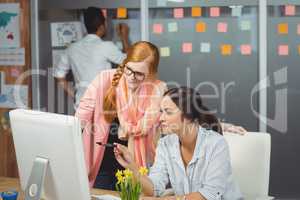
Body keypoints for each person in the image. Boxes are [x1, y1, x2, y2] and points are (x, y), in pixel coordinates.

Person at [114, 87, 244, 200]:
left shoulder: (216, 144)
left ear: (188, 116)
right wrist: (132, 166)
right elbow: (154, 189)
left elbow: (208, 195)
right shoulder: (165, 144)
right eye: (161, 111)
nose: (160, 118)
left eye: (168, 112)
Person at [75, 41, 167, 189]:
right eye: (128, 69)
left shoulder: (158, 88)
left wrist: (126, 128)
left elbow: (144, 126)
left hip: (134, 165)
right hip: (100, 163)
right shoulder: (104, 79)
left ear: (150, 73)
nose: (131, 76)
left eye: (139, 74)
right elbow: (81, 115)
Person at [53, 6, 130, 109]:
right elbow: (130, 61)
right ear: (102, 26)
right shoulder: (105, 46)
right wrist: (124, 36)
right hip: (102, 109)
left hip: (81, 108)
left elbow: (58, 75)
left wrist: (75, 95)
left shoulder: (72, 48)